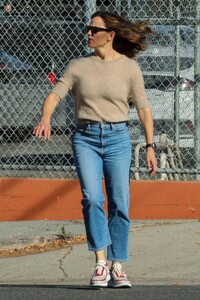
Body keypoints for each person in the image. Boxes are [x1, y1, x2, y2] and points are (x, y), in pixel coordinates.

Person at [33, 10, 157, 288]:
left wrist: (150, 146)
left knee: (120, 203)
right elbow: (55, 94)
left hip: (118, 139)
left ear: (110, 35)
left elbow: (143, 108)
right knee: (92, 198)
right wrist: (45, 116)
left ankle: (118, 264)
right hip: (85, 138)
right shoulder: (77, 66)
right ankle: (101, 263)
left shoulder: (129, 68)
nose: (88, 33)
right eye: (87, 29)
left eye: (94, 29)